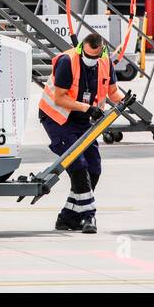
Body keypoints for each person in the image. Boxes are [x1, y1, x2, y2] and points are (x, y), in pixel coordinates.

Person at [37, 31, 124, 234]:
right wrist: (87, 108)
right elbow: (59, 98)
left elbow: (112, 90)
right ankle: (89, 215)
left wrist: (126, 99)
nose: (93, 60)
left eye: (96, 56)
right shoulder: (68, 61)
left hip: (83, 120)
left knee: (94, 168)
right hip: (58, 118)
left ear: (102, 50)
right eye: (89, 56)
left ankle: (67, 218)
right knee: (78, 164)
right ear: (81, 49)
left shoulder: (105, 62)